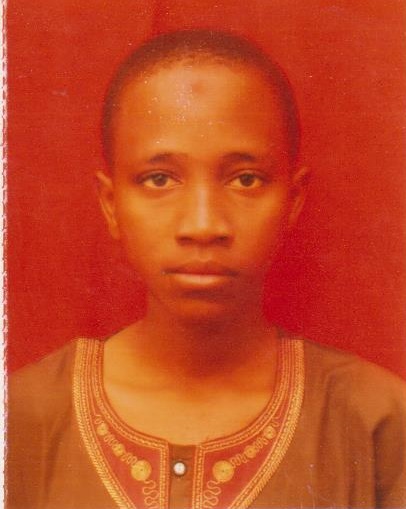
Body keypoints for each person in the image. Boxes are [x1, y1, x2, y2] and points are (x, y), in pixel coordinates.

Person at [6, 29, 406, 509]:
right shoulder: (22, 419)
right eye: (159, 179)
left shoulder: (377, 423)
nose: (203, 225)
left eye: (245, 179)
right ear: (111, 204)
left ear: (293, 201)